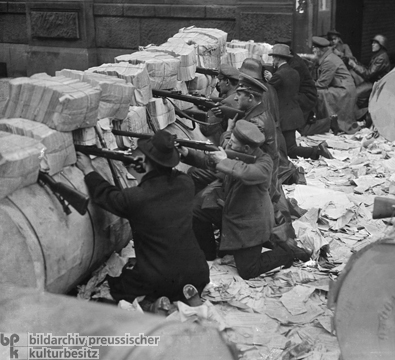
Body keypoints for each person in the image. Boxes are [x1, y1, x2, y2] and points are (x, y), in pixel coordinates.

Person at [76, 130, 210, 314]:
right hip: (197, 272)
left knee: (119, 286)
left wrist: (88, 169)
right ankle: (180, 298)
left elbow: (106, 195)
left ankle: (155, 305)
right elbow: (168, 174)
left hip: (159, 278)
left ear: (145, 162)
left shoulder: (135, 198)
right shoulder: (186, 183)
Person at [190, 120, 311, 279]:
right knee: (197, 210)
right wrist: (187, 153)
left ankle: (286, 252)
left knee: (248, 270)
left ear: (246, 148)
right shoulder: (237, 153)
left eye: (233, 143)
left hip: (250, 224)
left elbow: (245, 173)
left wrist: (224, 160)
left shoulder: (264, 163)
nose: (229, 146)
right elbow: (210, 163)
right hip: (232, 210)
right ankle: (208, 254)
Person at [265, 43, 333, 160]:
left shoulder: (278, 75)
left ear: (277, 58)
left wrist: (269, 80)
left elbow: (268, 91)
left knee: (288, 147)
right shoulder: (293, 72)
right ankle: (313, 152)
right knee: (287, 147)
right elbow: (287, 89)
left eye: (273, 58)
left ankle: (316, 150)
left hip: (284, 117)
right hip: (293, 114)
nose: (272, 61)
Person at [310, 36, 359, 134]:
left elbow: (322, 84)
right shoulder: (328, 57)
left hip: (344, 91)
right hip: (342, 88)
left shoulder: (329, 61)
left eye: (315, 48)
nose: (313, 50)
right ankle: (327, 121)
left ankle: (328, 122)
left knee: (318, 93)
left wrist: (307, 87)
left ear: (321, 50)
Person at [274, 38, 318, 125]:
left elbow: (290, 86)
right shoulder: (288, 59)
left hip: (306, 96)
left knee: (299, 128)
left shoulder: (295, 65)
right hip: (298, 92)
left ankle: (328, 123)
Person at [348, 34, 391, 110]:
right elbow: (368, 68)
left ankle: (361, 112)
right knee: (352, 73)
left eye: (375, 43)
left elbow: (368, 74)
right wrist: (356, 63)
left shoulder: (381, 58)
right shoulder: (378, 55)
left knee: (355, 93)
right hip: (373, 80)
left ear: (381, 45)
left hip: (377, 83)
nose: (372, 45)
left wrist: (354, 65)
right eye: (372, 43)